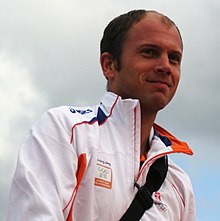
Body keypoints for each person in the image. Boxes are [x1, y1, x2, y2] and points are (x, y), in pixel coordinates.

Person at [7, 9, 196, 221]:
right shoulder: (66, 130)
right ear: (109, 65)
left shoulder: (178, 183)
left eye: (174, 58)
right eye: (149, 52)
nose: (165, 66)